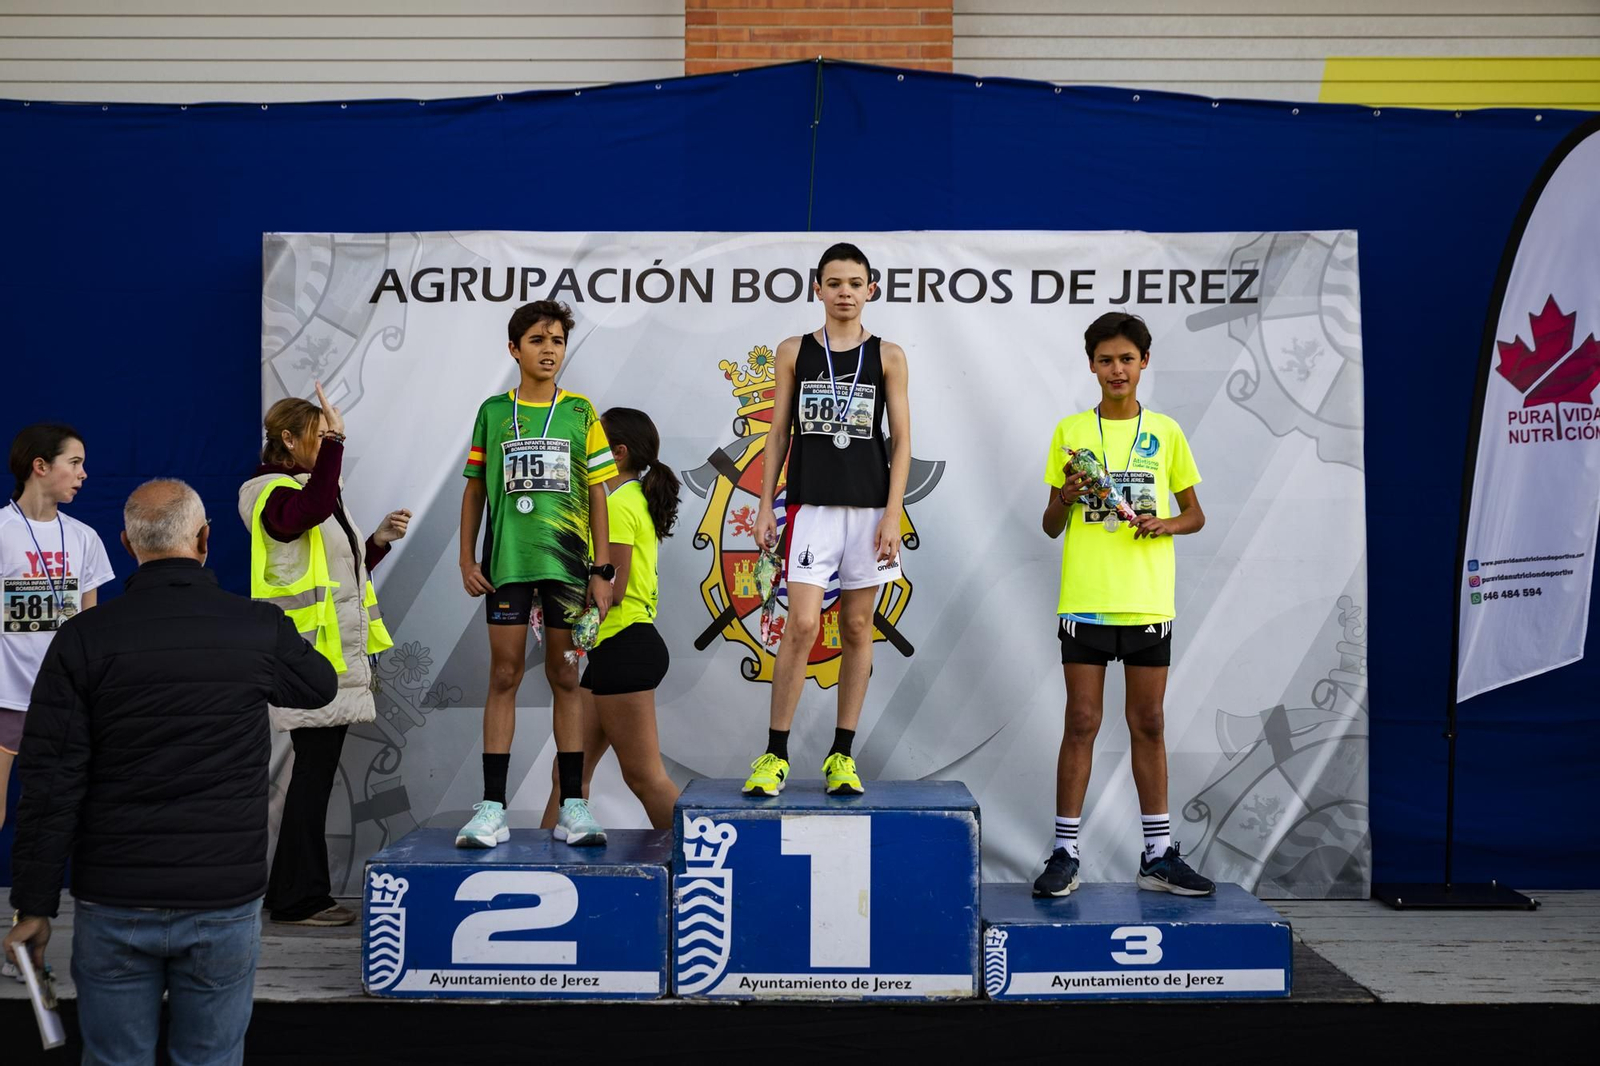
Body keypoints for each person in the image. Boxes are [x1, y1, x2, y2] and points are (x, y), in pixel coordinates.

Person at [5, 479, 337, 1066]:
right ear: (205, 539)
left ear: (127, 545)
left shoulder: (82, 638)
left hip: (115, 898)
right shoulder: (256, 628)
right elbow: (319, 685)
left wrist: (34, 906)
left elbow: (51, 785)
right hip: (222, 897)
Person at [1033, 312, 1215, 898]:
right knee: (1081, 721)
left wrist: (1165, 523)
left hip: (1146, 601)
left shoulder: (1166, 431)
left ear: (1144, 363)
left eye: (1127, 359)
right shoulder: (1070, 431)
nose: (1117, 369)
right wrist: (1064, 494)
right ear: (1091, 365)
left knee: (1150, 723)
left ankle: (1158, 854)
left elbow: (1195, 514)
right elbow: (1050, 525)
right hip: (1086, 599)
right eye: (1106, 359)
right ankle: (1064, 852)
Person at [744, 242, 912, 798]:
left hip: (869, 510)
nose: (845, 292)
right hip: (811, 507)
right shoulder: (794, 350)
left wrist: (894, 513)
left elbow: (903, 441)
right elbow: (777, 435)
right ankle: (775, 754)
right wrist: (767, 504)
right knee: (803, 625)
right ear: (817, 288)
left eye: (854, 283)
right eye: (834, 283)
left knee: (859, 628)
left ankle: (842, 755)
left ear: (872, 289)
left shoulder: (889, 355)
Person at [239, 383, 410, 925]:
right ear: (289, 440)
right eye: (319, 437)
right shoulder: (266, 492)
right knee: (308, 781)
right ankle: (297, 897)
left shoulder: (308, 492)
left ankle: (293, 892)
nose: (329, 445)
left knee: (311, 778)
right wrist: (336, 441)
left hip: (325, 661)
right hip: (305, 661)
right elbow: (300, 515)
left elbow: (339, 571)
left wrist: (376, 542)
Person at [457, 300, 616, 848]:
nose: (550, 350)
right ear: (514, 349)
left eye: (557, 341)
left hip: (569, 569)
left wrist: (602, 568)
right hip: (507, 566)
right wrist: (466, 558)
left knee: (565, 677)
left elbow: (598, 494)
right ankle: (492, 810)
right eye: (537, 340)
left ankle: (574, 805)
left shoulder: (580, 412)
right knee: (503, 676)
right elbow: (475, 487)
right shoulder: (493, 412)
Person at [540, 408, 681, 830]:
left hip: (625, 649)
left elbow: (611, 591)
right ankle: (534, 866)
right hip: (614, 651)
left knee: (644, 777)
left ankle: (710, 867)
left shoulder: (619, 503)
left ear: (616, 454)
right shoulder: (625, 498)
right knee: (568, 775)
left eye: (593, 446)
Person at [1, 424, 113, 836]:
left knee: (55, 807)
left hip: (63, 699)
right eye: (75, 463)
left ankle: (31, 901)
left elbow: (89, 628)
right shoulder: (2, 532)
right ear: (40, 466)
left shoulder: (85, 539)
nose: (83, 474)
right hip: (5, 698)